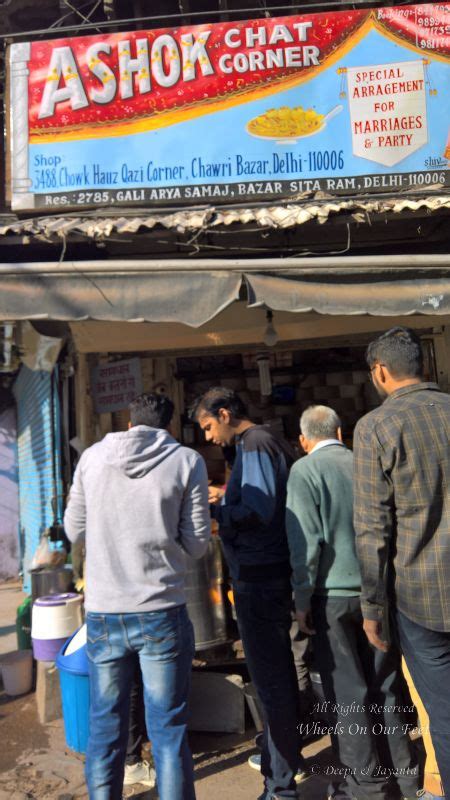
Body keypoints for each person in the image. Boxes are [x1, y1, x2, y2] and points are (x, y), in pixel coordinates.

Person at [64, 393, 210, 800]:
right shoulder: (186, 461)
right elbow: (198, 544)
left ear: (129, 424)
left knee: (105, 726)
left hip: (104, 614)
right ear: (169, 427)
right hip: (161, 610)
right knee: (168, 729)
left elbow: (73, 529)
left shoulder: (92, 458)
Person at [286, 404, 419, 800]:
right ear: (341, 433)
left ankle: (367, 786)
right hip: (378, 594)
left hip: (333, 599)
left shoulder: (304, 471)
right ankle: (408, 779)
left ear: (303, 441)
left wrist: (301, 597)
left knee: (349, 695)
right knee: (388, 687)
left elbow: (304, 542)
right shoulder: (365, 463)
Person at [191, 387, 304, 800]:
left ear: (224, 413)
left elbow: (258, 510)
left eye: (207, 426)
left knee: (271, 680)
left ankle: (280, 785)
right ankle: (284, 754)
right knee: (278, 675)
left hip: (260, 576)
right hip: (270, 573)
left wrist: (214, 511)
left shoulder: (255, 443)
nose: (207, 437)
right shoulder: (265, 442)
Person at [353, 326, 450, 798]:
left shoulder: (376, 427)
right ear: (424, 367)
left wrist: (372, 608)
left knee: (446, 717)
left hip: (421, 600)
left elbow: (373, 528)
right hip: (424, 601)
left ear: (380, 371)